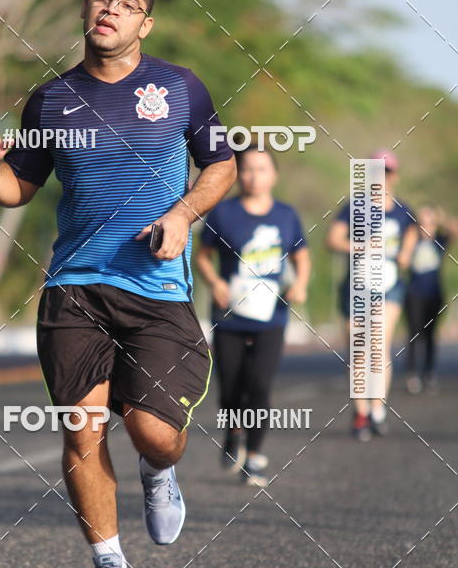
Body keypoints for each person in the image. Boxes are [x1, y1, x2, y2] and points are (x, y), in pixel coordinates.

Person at [0, 0, 236, 568]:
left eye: (128, 3)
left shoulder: (180, 89)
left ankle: (160, 469)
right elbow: (18, 190)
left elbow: (221, 166)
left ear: (146, 22)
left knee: (154, 432)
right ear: (88, 9)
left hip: (157, 289)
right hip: (75, 288)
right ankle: (107, 566)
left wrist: (181, 215)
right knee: (82, 430)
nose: (111, 10)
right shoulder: (51, 99)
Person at [195, 147, 310, 486]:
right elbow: (202, 256)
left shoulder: (286, 215)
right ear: (237, 175)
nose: (254, 176)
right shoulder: (223, 213)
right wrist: (214, 281)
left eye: (261, 169)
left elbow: (302, 257)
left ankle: (256, 457)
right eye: (247, 169)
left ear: (273, 175)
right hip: (230, 313)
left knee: (259, 384)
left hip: (271, 314)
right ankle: (233, 433)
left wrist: (301, 284)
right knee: (230, 386)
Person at [326, 149, 418, 440]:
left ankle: (377, 408)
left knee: (378, 344)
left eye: (387, 173)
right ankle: (361, 411)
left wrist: (404, 253)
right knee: (358, 349)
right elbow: (333, 239)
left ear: (395, 176)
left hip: (388, 286)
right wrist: (359, 247)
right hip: (356, 285)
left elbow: (413, 236)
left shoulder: (403, 211)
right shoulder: (353, 207)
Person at [405, 205, 457, 394]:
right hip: (413, 293)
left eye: (430, 222)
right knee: (414, 334)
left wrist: (440, 218)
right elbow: (403, 259)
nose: (426, 226)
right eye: (423, 222)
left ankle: (428, 372)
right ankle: (411, 374)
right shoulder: (412, 240)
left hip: (434, 293)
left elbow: (455, 228)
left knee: (430, 335)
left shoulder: (439, 241)